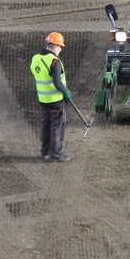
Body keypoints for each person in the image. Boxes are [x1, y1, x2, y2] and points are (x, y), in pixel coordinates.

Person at [30, 32, 73, 162]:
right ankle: (56, 154)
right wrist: (66, 91)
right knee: (57, 127)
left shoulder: (35, 58)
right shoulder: (55, 61)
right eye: (60, 46)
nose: (60, 49)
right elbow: (57, 82)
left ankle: (45, 152)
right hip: (56, 101)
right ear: (54, 46)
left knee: (46, 126)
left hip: (43, 100)